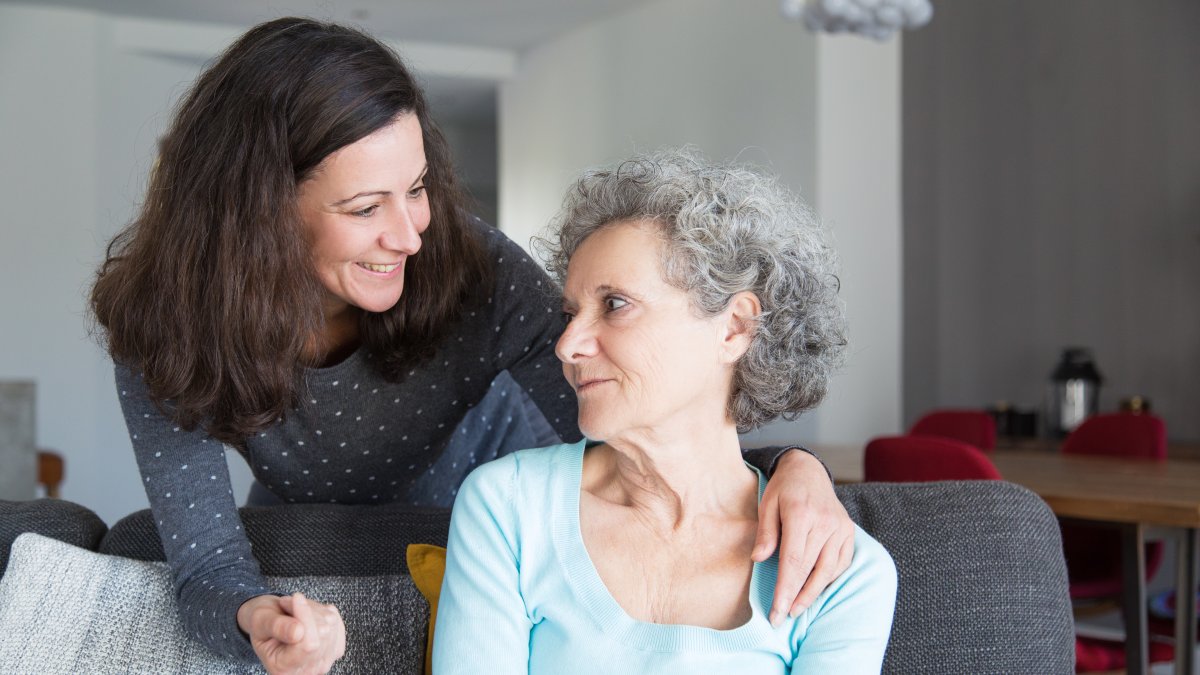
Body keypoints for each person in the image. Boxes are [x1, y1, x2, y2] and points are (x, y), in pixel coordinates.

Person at [90, 17, 856, 675]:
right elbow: (206, 569)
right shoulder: (167, 328)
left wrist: (792, 467)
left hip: (497, 521)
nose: (409, 232)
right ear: (256, 213)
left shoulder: (471, 268)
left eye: (417, 188)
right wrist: (257, 618)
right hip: (318, 529)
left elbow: (654, 419)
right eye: (365, 207)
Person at [435, 149, 898, 674]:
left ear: (734, 328)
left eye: (615, 304)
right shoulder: (508, 506)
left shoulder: (841, 570)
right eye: (571, 314)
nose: (567, 345)